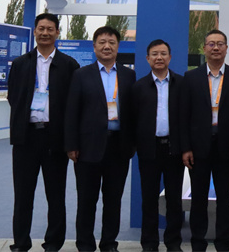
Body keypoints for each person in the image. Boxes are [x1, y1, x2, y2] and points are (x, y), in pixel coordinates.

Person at [7, 13, 80, 252]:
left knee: (56, 195)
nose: (45, 33)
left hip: (55, 138)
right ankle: (21, 243)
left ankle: (53, 243)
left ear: (57, 32)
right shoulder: (21, 63)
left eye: (50, 29)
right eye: (41, 28)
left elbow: (74, 104)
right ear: (35, 31)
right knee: (23, 195)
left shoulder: (69, 65)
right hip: (26, 137)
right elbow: (13, 97)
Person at [65, 26, 136, 252]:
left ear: (118, 47)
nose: (107, 46)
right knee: (87, 200)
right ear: (94, 47)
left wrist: (132, 144)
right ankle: (85, 244)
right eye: (102, 42)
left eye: (112, 42)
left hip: (118, 147)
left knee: (113, 200)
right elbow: (71, 112)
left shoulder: (128, 75)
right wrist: (72, 145)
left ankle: (109, 243)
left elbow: (133, 112)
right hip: (88, 148)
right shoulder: (81, 75)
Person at [180, 30, 229, 252]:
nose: (215, 48)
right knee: (198, 199)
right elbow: (184, 115)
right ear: (204, 48)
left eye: (220, 44)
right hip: (199, 148)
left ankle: (223, 244)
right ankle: (198, 243)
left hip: (226, 148)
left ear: (226, 48)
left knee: (225, 199)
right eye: (211, 44)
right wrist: (186, 147)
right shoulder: (191, 78)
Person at [131, 39, 184, 252]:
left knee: (174, 200)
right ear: (147, 59)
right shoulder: (138, 87)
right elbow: (133, 120)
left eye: (163, 54)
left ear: (170, 57)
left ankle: (173, 243)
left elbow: (187, 118)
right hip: (149, 150)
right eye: (154, 54)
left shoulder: (182, 84)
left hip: (174, 149)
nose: (159, 58)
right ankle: (149, 243)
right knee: (149, 199)